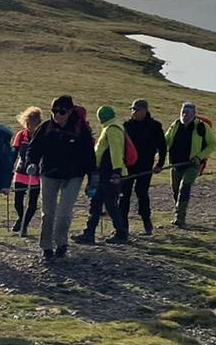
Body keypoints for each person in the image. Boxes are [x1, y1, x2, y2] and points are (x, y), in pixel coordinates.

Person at [26, 95, 94, 262]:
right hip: (49, 174)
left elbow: (88, 154)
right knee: (47, 213)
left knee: (64, 212)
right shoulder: (46, 127)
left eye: (62, 111)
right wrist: (31, 162)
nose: (58, 114)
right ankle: (46, 247)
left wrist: (94, 176)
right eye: (54, 111)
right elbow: (33, 148)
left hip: (73, 176)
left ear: (70, 112)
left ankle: (61, 243)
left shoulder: (80, 129)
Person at [76, 106, 131, 245]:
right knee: (98, 203)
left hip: (110, 174)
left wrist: (116, 171)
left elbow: (116, 151)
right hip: (105, 173)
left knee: (109, 204)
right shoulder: (113, 127)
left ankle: (120, 233)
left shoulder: (112, 129)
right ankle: (90, 233)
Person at [163, 102, 216, 226]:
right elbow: (165, 141)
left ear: (194, 114)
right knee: (175, 190)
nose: (184, 114)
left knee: (185, 187)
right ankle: (178, 213)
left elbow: (213, 144)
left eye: (187, 112)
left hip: (193, 164)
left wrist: (199, 157)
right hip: (175, 164)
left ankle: (180, 218)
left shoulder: (201, 127)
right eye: (183, 111)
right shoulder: (175, 125)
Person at [120, 99, 167, 235]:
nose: (134, 112)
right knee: (124, 195)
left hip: (145, 166)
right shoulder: (127, 126)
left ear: (145, 111)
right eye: (132, 109)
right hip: (128, 166)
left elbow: (162, 147)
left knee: (142, 193)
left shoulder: (154, 126)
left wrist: (160, 164)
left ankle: (147, 221)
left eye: (137, 109)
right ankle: (123, 227)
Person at [11, 107, 43, 235]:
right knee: (17, 201)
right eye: (30, 124)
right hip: (20, 172)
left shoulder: (42, 136)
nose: (32, 127)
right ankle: (21, 218)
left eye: (35, 124)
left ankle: (24, 224)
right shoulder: (21, 135)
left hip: (36, 174)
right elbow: (14, 152)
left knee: (33, 203)